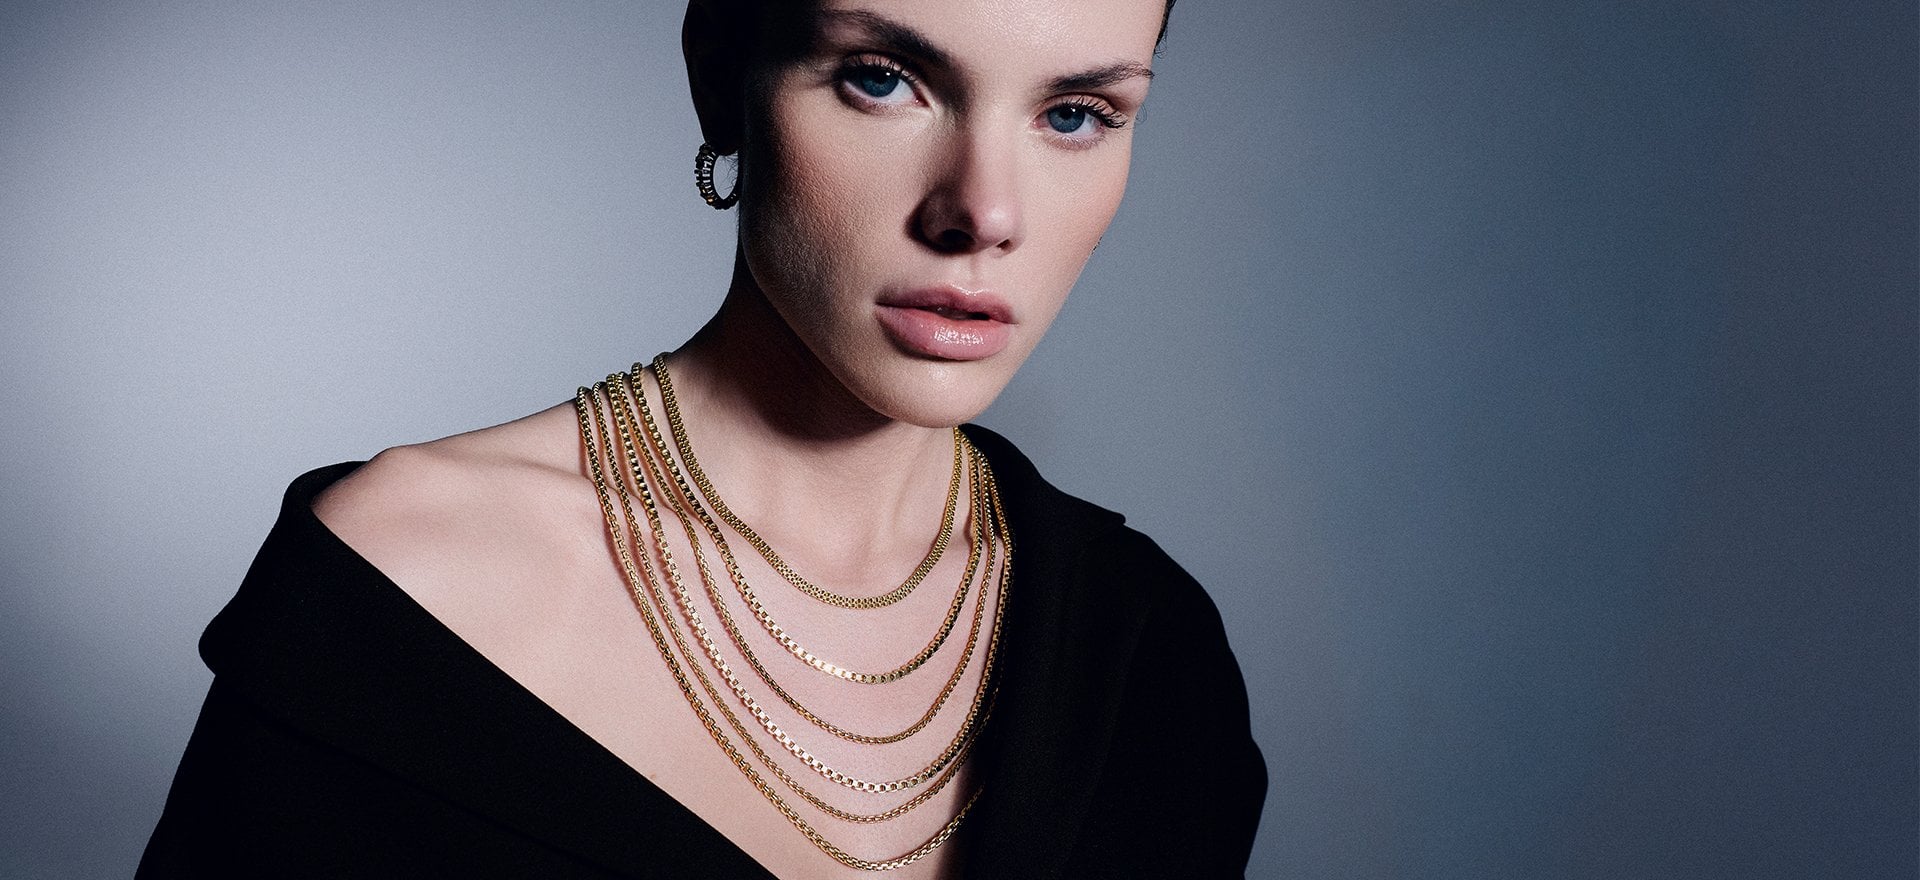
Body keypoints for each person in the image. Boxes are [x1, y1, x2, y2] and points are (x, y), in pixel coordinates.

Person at [138, 0, 1266, 876]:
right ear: (720, 73)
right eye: (883, 78)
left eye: (1076, 115)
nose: (985, 213)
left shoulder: (1146, 653)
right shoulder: (410, 587)